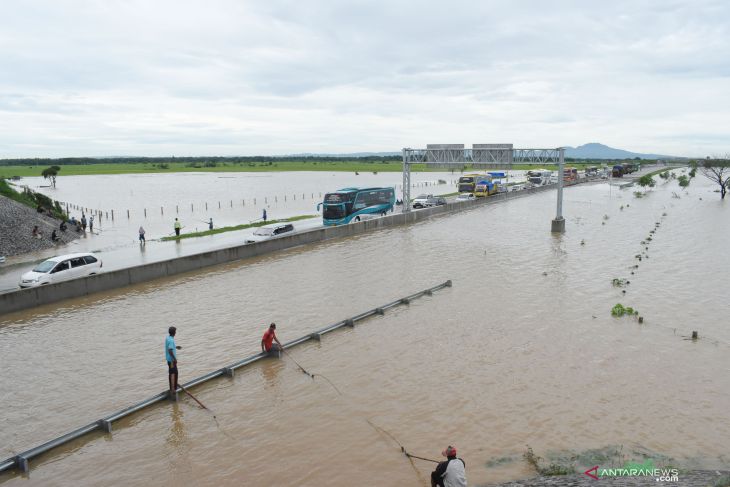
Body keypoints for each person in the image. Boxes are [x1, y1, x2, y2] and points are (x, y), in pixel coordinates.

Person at [166, 327, 182, 397]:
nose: (176, 332)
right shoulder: (171, 340)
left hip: (169, 360)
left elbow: (169, 347)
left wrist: (176, 347)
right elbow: (169, 350)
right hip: (172, 361)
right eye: (175, 331)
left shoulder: (168, 338)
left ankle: (172, 388)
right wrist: (175, 359)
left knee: (172, 373)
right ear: (174, 333)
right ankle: (173, 390)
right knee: (173, 374)